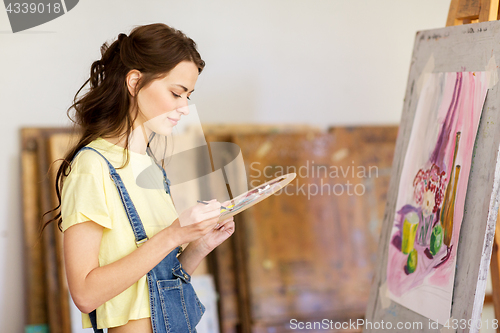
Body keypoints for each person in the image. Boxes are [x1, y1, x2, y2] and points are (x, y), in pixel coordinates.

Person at [43, 23, 235, 333]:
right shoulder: (93, 167)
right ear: (134, 82)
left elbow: (157, 283)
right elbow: (85, 294)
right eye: (176, 93)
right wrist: (173, 234)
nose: (185, 107)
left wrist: (199, 245)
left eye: (188, 96)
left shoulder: (148, 167)